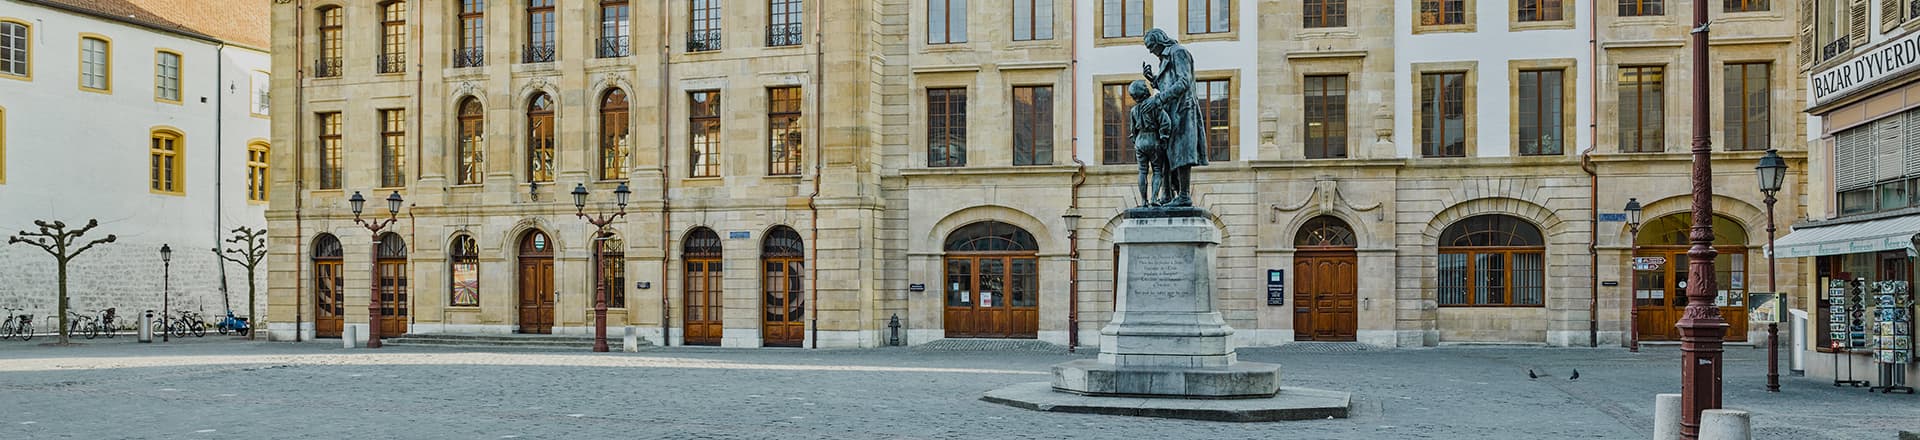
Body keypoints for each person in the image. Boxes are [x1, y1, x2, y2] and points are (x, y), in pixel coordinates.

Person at [1140, 28, 1207, 207]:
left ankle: (1184, 195)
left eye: (1151, 46)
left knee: (1182, 151)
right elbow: (1167, 84)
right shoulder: (1164, 59)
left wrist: (1159, 99)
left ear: (1160, 41)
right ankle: (1168, 195)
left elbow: (1184, 82)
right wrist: (1153, 79)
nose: (1150, 50)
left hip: (1182, 110)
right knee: (1169, 153)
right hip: (1171, 111)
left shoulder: (1179, 53)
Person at [1129, 80, 1171, 207]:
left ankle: (1143, 201)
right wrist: (1164, 137)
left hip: (1140, 140)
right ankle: (1154, 198)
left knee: (1142, 171)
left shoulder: (1133, 110)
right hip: (1153, 138)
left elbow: (1132, 130)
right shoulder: (1154, 106)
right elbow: (1166, 122)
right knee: (1157, 170)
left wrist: (1136, 141)